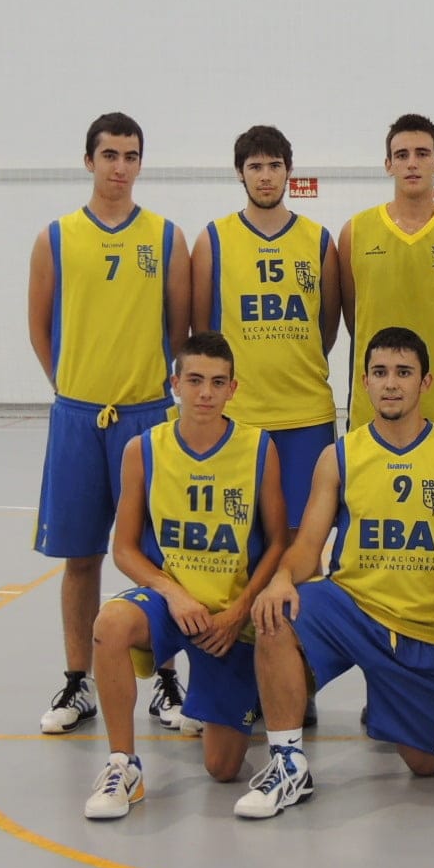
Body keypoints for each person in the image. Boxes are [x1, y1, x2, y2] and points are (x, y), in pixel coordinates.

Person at [234, 327, 434, 820]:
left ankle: (409, 705)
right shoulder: (340, 455)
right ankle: (287, 763)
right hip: (349, 607)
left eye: (403, 373)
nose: (391, 384)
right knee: (274, 616)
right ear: (365, 382)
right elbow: (307, 545)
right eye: (380, 373)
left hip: (420, 624)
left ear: (426, 381)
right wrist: (282, 578)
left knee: (427, 763)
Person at [28, 113, 191, 734]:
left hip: (148, 417)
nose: (120, 166)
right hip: (77, 416)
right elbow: (41, 327)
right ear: (89, 160)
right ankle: (78, 683)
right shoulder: (56, 238)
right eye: (109, 154)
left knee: (161, 552)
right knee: (80, 555)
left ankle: (168, 680)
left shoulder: (166, 237)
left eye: (130, 155)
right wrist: (70, 385)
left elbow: (180, 332)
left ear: (141, 164)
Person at [82, 332, 288, 819]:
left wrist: (240, 612)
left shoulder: (259, 448)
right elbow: (125, 549)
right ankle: (122, 766)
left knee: (222, 769)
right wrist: (173, 594)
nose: (205, 393)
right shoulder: (144, 449)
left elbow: (279, 542)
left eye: (217, 383)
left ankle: (238, 694)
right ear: (175, 383)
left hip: (229, 619)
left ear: (233, 389)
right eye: (194, 381)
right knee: (110, 625)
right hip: (174, 606)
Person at [192, 124, 339, 536]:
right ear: (240, 173)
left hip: (305, 413)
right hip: (239, 414)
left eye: (275, 165)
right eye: (255, 166)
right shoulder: (213, 239)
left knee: (302, 542)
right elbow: (202, 328)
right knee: (239, 538)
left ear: (289, 171)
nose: (266, 176)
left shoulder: (319, 240)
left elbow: (327, 325)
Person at [339, 113, 434, 449]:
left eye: (422, 153)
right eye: (402, 155)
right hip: (375, 411)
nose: (412, 164)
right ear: (388, 164)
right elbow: (354, 317)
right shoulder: (355, 232)